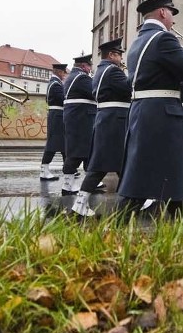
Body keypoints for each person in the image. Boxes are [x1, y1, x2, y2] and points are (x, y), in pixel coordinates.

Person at [118, 0, 183, 215]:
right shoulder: (163, 39)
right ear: (162, 12)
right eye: (171, 14)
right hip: (162, 114)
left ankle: (179, 222)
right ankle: (121, 224)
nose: (173, 20)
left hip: (143, 111)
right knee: (164, 170)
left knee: (148, 171)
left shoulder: (137, 42)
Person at [71, 38, 131, 217]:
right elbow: (130, 87)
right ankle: (79, 204)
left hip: (110, 119)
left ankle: (137, 197)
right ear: (112, 55)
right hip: (114, 120)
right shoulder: (113, 71)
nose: (121, 57)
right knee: (101, 166)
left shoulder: (102, 70)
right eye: (119, 54)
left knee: (121, 162)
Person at [61, 54, 96, 195]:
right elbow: (96, 92)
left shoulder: (72, 76)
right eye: (89, 66)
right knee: (76, 153)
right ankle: (67, 186)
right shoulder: (81, 78)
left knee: (84, 151)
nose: (90, 69)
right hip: (81, 119)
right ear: (83, 66)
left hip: (78, 118)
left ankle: (89, 181)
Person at [40, 63, 68, 180]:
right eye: (63, 72)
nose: (64, 75)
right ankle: (44, 170)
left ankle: (68, 168)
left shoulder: (53, 83)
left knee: (63, 143)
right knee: (53, 144)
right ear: (59, 72)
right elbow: (63, 99)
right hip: (57, 115)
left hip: (56, 115)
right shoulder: (56, 84)